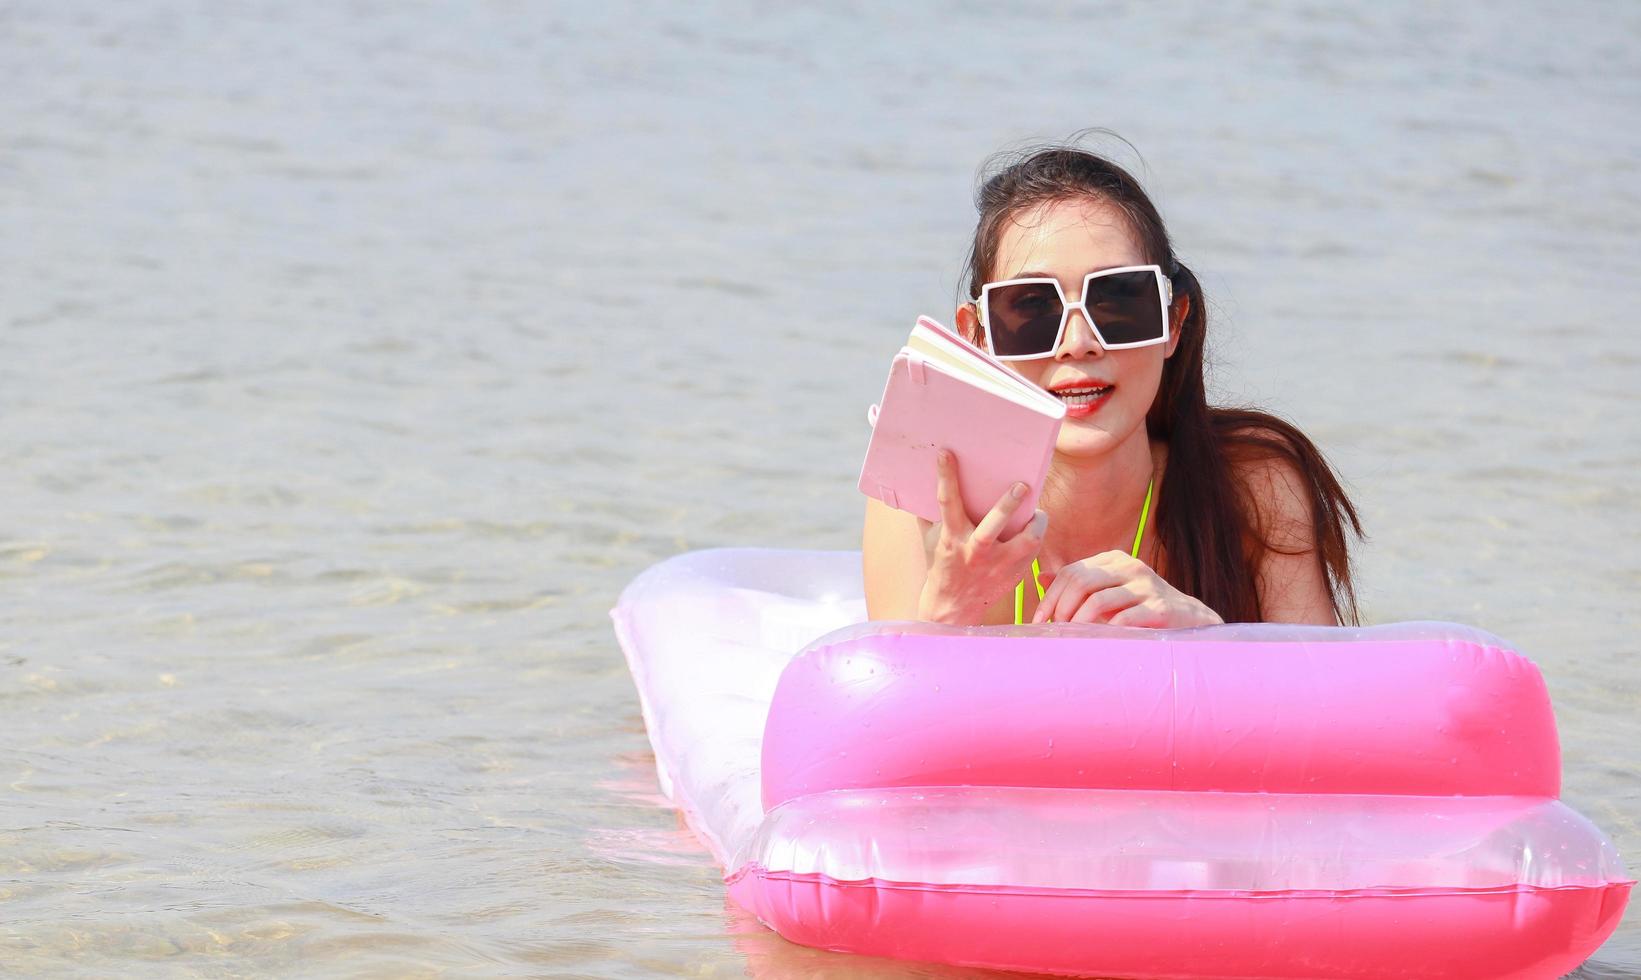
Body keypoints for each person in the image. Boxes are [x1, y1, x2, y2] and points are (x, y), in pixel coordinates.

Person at [863, 141, 1362, 628]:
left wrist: (1205, 637)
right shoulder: (922, 498)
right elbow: (889, 706)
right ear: (977, 337)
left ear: (1173, 322)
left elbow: (1333, 702)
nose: (1078, 344)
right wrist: (951, 609)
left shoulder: (1255, 487)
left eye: (1118, 301)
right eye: (1033, 307)